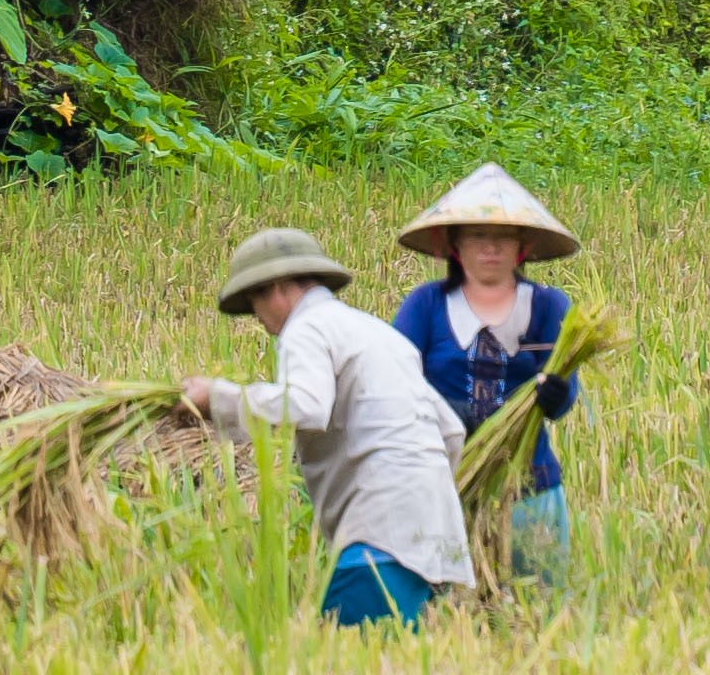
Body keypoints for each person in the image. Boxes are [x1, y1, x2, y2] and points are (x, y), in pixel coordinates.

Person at [182, 225, 473, 625]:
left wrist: (218, 397)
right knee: (391, 666)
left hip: (379, 531)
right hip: (432, 537)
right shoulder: (377, 333)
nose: (258, 318)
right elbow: (451, 432)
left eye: (254, 301)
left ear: (277, 289)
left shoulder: (305, 329)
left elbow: (306, 406)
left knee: (348, 664)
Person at [387, 163, 587, 589]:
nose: (490, 248)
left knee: (535, 605)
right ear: (456, 245)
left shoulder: (549, 308)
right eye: (478, 236)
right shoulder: (426, 306)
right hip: (443, 486)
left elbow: (566, 399)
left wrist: (555, 393)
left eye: (502, 237)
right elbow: (390, 378)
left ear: (522, 247)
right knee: (444, 611)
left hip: (529, 486)